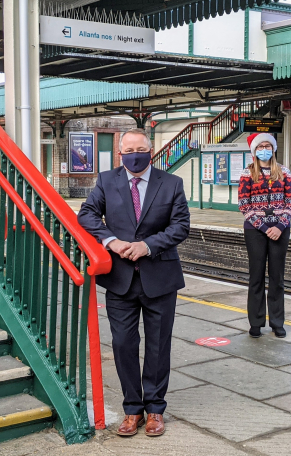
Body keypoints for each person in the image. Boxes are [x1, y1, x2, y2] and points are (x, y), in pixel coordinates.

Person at [77, 128, 190, 438]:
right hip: (120, 279)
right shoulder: (106, 181)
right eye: (129, 150)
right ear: (120, 153)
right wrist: (110, 241)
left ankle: (155, 409)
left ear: (150, 150)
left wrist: (148, 245)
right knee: (124, 344)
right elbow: (86, 215)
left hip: (160, 277)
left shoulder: (172, 184)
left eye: (141, 148)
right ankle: (132, 409)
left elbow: (181, 226)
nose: (135, 154)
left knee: (158, 346)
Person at [238, 132, 291, 339]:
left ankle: (277, 322)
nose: (265, 149)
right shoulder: (247, 174)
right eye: (260, 146)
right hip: (255, 230)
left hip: (280, 228)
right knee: (256, 276)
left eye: (268, 145)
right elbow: (244, 204)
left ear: (273, 149)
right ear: (255, 150)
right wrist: (264, 227)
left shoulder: (284, 172)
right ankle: (256, 322)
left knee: (277, 277)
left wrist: (279, 226)